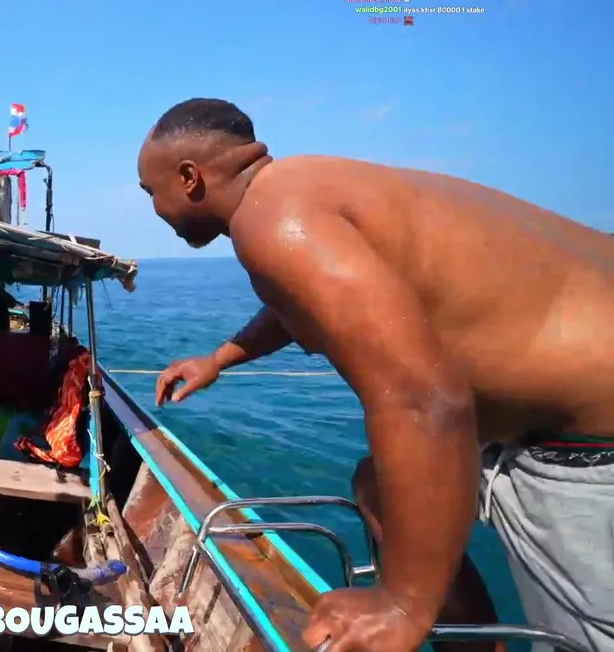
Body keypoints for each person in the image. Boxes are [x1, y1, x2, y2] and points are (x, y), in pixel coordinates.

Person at [140, 98, 614, 652]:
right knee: (381, 488)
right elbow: (313, 301)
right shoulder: (298, 192)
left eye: (151, 192)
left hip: (587, 447)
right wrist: (220, 358)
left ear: (189, 177)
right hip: (546, 420)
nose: (155, 209)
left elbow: (424, 398)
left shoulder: (271, 222)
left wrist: (403, 604)